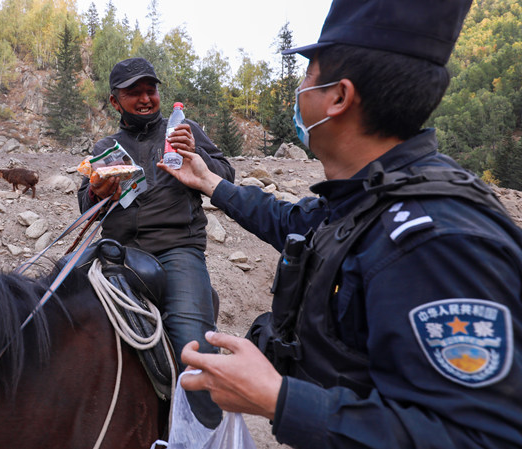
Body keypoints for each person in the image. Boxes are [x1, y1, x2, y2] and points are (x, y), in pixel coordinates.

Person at [159, 0, 522, 447]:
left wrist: (278, 398)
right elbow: (293, 223)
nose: (298, 89)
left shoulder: (437, 241)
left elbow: (483, 438)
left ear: (338, 97)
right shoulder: (368, 198)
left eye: (308, 74)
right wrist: (210, 181)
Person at [77, 57, 235, 429]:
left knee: (193, 349)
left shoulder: (184, 129)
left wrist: (195, 155)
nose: (146, 99)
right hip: (117, 251)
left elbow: (226, 174)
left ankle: (204, 432)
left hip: (177, 248)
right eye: (135, 93)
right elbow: (87, 207)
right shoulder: (106, 145)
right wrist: (97, 191)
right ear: (115, 101)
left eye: (151, 90)